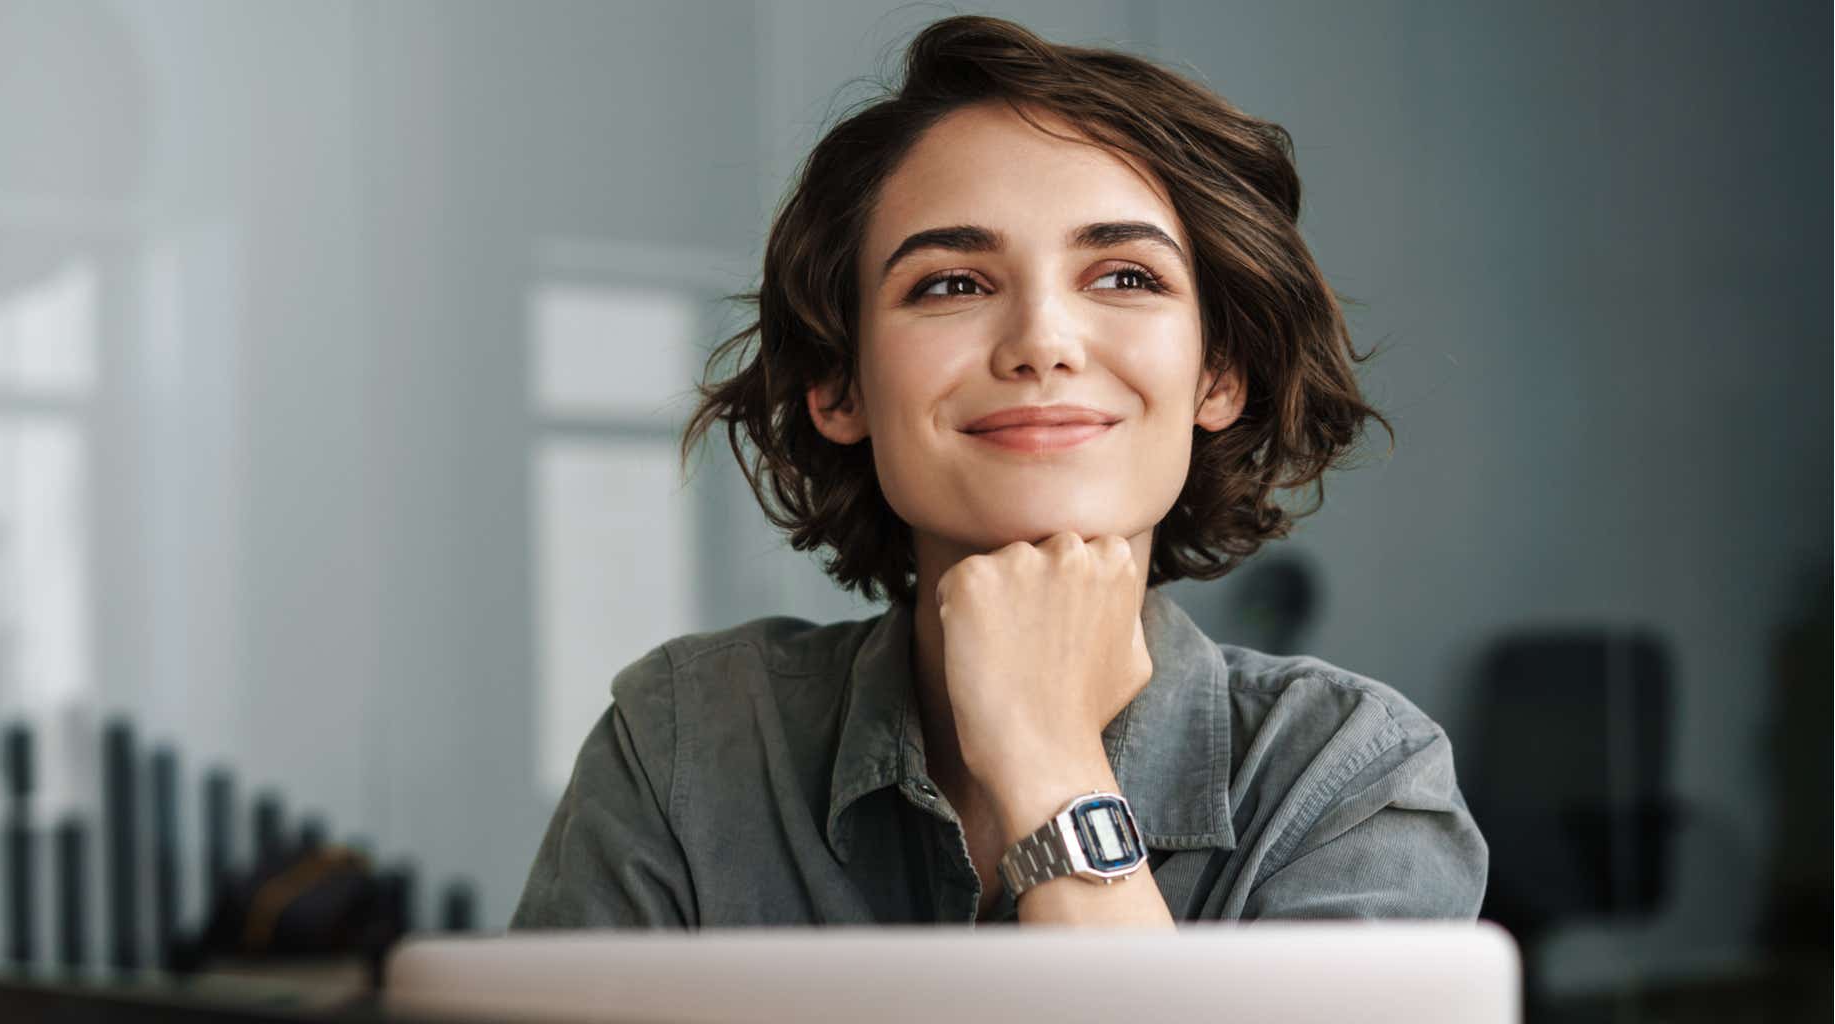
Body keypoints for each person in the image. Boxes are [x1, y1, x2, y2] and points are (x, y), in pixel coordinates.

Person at [511, 14, 1486, 929]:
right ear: (837, 385)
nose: (1041, 343)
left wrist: (1046, 759)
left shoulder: (1351, 779)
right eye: (949, 284)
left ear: (1217, 373)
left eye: (1123, 277)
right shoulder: (683, 741)